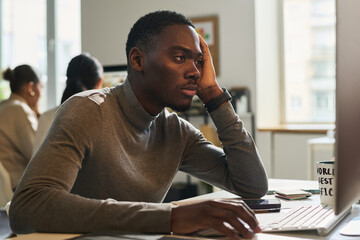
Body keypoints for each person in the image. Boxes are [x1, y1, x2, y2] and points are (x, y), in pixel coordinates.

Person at [9, 10, 268, 239]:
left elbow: (252, 186)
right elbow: (29, 206)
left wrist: (213, 95)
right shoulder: (88, 110)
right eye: (180, 58)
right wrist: (170, 217)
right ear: (137, 60)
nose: (195, 72)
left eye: (198, 61)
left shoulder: (176, 132)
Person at [33, 53, 103, 152]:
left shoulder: (46, 118)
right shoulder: (103, 122)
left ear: (67, 82)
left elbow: (36, 164)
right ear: (99, 82)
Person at [0, 64, 42, 190]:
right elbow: (38, 156)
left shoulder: (4, 106)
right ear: (31, 87)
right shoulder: (20, 109)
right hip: (18, 187)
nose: (41, 94)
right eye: (41, 87)